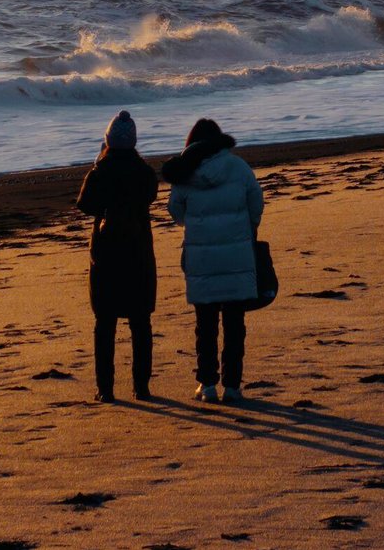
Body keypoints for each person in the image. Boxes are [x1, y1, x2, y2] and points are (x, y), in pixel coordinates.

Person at [164, 118, 264, 404]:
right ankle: (232, 386)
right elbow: (256, 202)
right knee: (235, 322)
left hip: (201, 256)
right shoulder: (238, 167)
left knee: (205, 323)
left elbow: (175, 209)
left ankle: (207, 384)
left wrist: (193, 226)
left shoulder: (186, 171)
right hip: (237, 253)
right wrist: (248, 228)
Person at [75, 110, 159, 403]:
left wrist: (98, 163)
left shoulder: (101, 171)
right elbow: (150, 195)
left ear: (108, 139)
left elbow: (84, 204)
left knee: (105, 324)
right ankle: (141, 387)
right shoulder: (144, 172)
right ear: (134, 142)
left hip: (106, 256)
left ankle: (105, 388)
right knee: (140, 323)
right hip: (138, 254)